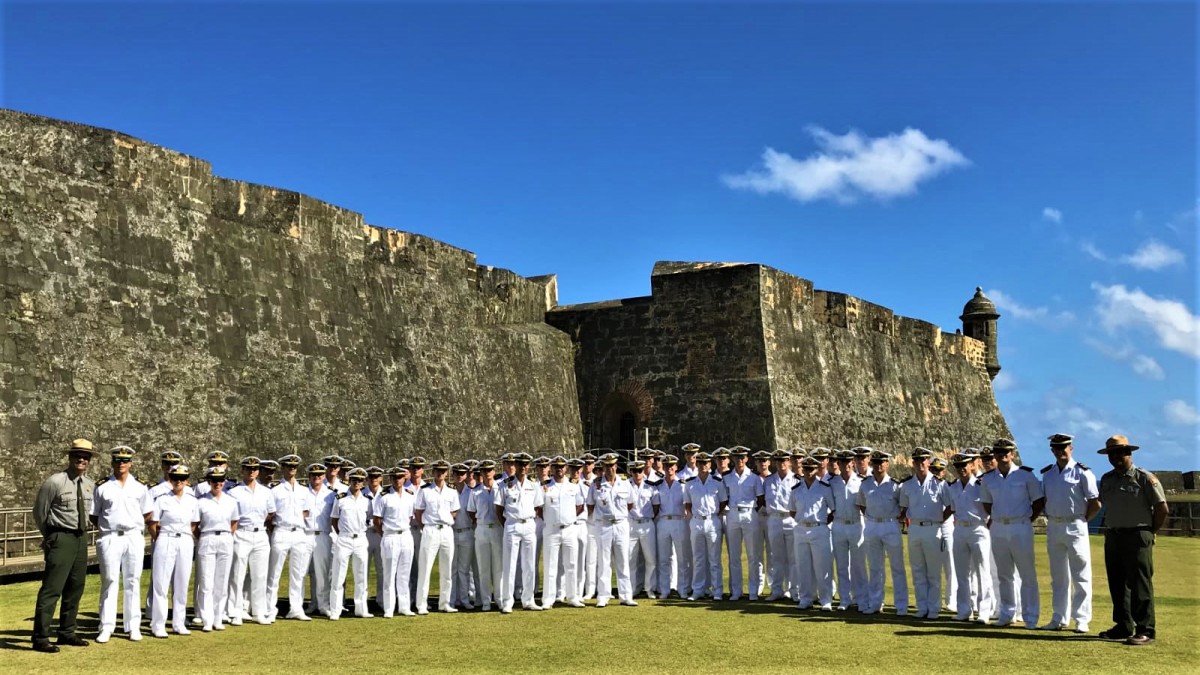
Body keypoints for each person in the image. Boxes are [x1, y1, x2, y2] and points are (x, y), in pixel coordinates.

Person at [1097, 435, 1167, 646]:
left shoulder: (1144, 478)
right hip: (1114, 535)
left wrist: (1150, 531)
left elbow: (1162, 508)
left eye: (1120, 452)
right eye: (1112, 453)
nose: (1116, 457)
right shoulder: (1108, 479)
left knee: (1140, 584)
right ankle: (1123, 625)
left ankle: (1145, 629)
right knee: (1117, 584)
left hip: (1138, 535)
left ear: (1129, 453)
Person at [31, 438, 97, 653]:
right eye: (77, 455)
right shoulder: (55, 482)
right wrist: (51, 537)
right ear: (69, 457)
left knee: (76, 587)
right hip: (60, 537)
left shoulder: (89, 485)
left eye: (85, 457)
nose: (81, 459)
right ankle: (40, 637)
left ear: (89, 461)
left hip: (80, 538)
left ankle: (67, 632)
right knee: (52, 588)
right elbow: (40, 512)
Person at [1039, 433, 1101, 633]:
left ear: (1071, 448)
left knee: (1081, 574)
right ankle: (1059, 617)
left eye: (1064, 447)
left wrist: (1083, 520)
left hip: (1076, 524)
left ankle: (1082, 619)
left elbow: (1095, 502)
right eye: (1056, 448)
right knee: (1058, 576)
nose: (1060, 451)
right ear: (1052, 451)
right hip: (1055, 525)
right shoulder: (1047, 474)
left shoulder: (1083, 473)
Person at [978, 438, 1044, 628]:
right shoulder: (988, 478)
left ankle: (1030, 616)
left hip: (1020, 526)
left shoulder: (1026, 476)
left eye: (1005, 452)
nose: (1002, 456)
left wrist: (1027, 519)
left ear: (1012, 454)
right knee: (1004, 574)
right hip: (998, 526)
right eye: (998, 453)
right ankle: (1007, 613)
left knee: (1027, 574)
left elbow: (1038, 501)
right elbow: (987, 504)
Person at [91, 444, 151, 643]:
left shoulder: (141, 487)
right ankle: (106, 626)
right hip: (110, 537)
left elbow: (147, 513)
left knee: (133, 581)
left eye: (125, 460)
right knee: (109, 580)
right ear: (112, 463)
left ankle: (133, 626)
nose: (121, 464)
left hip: (133, 536)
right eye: (117, 460)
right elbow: (95, 515)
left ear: (131, 463)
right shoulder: (102, 486)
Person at [898, 448, 952, 619]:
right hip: (914, 528)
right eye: (917, 461)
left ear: (929, 462)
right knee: (918, 570)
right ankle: (922, 607)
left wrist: (940, 519)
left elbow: (951, 505)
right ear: (912, 463)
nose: (921, 463)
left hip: (933, 528)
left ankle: (934, 608)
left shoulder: (939, 483)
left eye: (924, 460)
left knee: (933, 572)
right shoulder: (907, 485)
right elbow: (904, 507)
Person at [148, 463, 200, 638]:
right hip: (166, 538)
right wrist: (160, 539)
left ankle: (179, 622)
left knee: (182, 583)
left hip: (185, 539)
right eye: (175, 478)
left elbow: (194, 524)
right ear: (169, 479)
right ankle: (158, 624)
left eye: (182, 478)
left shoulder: (193, 500)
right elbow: (153, 523)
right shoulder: (162, 499)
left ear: (187, 480)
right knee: (161, 584)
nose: (179, 481)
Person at [856, 450, 907, 616]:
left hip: (890, 525)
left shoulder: (895, 485)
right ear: (872, 464)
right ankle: (876, 602)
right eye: (876, 463)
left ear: (887, 464)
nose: (879, 466)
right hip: (871, 525)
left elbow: (902, 507)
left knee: (897, 567)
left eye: (882, 462)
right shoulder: (865, 484)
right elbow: (862, 505)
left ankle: (901, 605)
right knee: (875, 567)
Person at [226, 456, 275, 626]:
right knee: (237, 575)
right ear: (242, 470)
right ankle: (235, 611)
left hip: (260, 533)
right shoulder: (234, 492)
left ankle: (258, 611)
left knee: (260, 575)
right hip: (241, 533)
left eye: (254, 469)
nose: (251, 471)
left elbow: (270, 514)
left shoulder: (266, 492)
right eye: (248, 468)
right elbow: (231, 516)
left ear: (258, 471)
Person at [947, 450, 995, 624]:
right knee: (962, 573)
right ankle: (965, 610)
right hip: (960, 529)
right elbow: (953, 509)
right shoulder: (953, 487)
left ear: (971, 465)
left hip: (978, 529)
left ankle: (984, 611)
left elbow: (991, 508)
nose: (961, 469)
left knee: (983, 572)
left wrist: (986, 526)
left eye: (964, 465)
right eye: (958, 466)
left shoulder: (981, 484)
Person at [266, 454, 313, 621]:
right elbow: (270, 515)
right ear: (283, 468)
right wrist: (277, 528)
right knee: (274, 573)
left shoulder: (304, 490)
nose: (291, 469)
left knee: (298, 574)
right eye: (288, 466)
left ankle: (296, 608)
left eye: (294, 467)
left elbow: (305, 511)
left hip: (299, 532)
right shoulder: (275, 490)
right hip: (281, 531)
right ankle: (270, 609)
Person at [496, 452, 543, 613]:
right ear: (514, 466)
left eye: (525, 465)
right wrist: (509, 523)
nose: (523, 467)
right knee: (509, 564)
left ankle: (528, 599)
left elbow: (537, 507)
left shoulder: (533, 485)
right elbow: (499, 509)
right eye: (520, 464)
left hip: (529, 525)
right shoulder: (505, 485)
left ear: (529, 467)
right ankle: (507, 601)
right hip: (512, 525)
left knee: (529, 564)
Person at [588, 453, 635, 608]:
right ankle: (603, 595)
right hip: (604, 525)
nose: (609, 469)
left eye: (612, 465)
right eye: (606, 466)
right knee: (604, 561)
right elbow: (590, 505)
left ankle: (626, 595)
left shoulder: (625, 483)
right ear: (603, 467)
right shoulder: (596, 485)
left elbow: (630, 504)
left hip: (621, 524)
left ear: (616, 466)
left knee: (623, 561)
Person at [195, 465, 238, 632]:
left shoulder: (231, 501)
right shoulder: (201, 502)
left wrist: (226, 536)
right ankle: (207, 619)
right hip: (207, 537)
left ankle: (218, 617)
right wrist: (204, 537)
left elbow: (234, 523)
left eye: (220, 481)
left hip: (226, 538)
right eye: (214, 481)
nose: (218, 484)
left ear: (224, 481)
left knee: (222, 580)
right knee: (206, 581)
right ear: (209, 482)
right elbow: (194, 525)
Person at [414, 459, 459, 614]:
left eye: (443, 471)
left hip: (446, 530)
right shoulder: (425, 490)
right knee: (425, 568)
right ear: (432, 472)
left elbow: (454, 512)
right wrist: (424, 527)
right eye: (437, 471)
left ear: (446, 473)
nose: (440, 474)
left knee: (447, 569)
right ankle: (421, 604)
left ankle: (444, 603)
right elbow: (418, 512)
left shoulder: (452, 491)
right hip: (430, 529)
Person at [789, 456, 834, 611]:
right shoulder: (796, 489)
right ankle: (806, 598)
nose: (808, 472)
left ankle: (826, 599)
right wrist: (803, 522)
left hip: (819, 528)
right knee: (803, 566)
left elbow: (833, 510)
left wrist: (821, 523)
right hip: (801, 528)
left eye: (811, 469)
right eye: (806, 469)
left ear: (817, 469)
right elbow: (792, 511)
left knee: (822, 567)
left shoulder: (824, 487)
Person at [541, 456, 585, 608]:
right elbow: (539, 508)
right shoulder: (545, 486)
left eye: (562, 467)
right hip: (551, 530)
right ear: (551, 468)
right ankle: (548, 599)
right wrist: (549, 519)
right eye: (556, 467)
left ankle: (572, 597)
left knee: (571, 564)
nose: (559, 469)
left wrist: (569, 517)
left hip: (569, 529)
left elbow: (580, 505)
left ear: (566, 468)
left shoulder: (574, 485)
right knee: (550, 565)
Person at [329, 467, 373, 620]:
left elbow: (370, 519)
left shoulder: (367, 501)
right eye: (354, 479)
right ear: (349, 480)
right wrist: (341, 534)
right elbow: (334, 520)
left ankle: (361, 609)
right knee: (338, 576)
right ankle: (335, 610)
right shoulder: (340, 498)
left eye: (360, 480)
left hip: (360, 538)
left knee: (361, 576)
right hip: (344, 538)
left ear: (363, 482)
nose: (357, 483)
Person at [724, 447, 765, 601]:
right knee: (734, 555)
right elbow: (725, 496)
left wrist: (752, 510)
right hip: (733, 513)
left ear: (747, 459)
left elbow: (760, 498)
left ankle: (753, 591)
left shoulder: (754, 477)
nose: (740, 460)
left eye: (742, 457)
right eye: (737, 457)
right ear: (733, 459)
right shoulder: (727, 477)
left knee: (753, 555)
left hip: (749, 513)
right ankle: (736, 591)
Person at [684, 452, 727, 601]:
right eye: (700, 463)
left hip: (712, 520)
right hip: (696, 521)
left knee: (714, 559)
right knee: (698, 559)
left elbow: (723, 502)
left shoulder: (717, 482)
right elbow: (688, 504)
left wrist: (713, 515)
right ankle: (698, 590)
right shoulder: (690, 483)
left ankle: (717, 591)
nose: (703, 465)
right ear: (697, 464)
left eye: (706, 463)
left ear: (710, 465)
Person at [374, 466, 416, 617]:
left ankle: (404, 606)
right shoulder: (383, 496)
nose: (397, 480)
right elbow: (377, 520)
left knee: (404, 574)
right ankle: (389, 608)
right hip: (390, 536)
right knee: (389, 574)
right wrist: (384, 534)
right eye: (394, 478)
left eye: (400, 477)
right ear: (390, 479)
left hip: (405, 535)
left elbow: (410, 517)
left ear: (404, 478)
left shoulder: (410, 495)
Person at [829, 449, 866, 610]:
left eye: (848, 462)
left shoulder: (861, 481)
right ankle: (845, 599)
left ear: (852, 462)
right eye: (842, 462)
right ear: (838, 464)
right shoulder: (832, 483)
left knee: (858, 565)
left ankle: (861, 598)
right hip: (838, 524)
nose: (845, 465)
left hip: (856, 524)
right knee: (842, 564)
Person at [762, 449, 797, 602]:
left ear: (789, 461)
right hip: (774, 519)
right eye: (778, 461)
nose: (781, 463)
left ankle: (794, 590)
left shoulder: (796, 480)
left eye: (784, 460)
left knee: (793, 558)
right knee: (776, 557)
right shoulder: (769, 480)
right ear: (775, 462)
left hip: (790, 518)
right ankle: (776, 590)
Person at [469, 460, 502, 611]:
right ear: (480, 473)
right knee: (483, 568)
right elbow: (471, 511)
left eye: (490, 470)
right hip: (482, 529)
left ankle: (500, 599)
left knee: (498, 567)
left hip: (497, 528)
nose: (487, 473)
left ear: (494, 472)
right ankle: (486, 601)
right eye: (484, 471)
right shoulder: (475, 491)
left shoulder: (501, 488)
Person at [655, 454, 689, 599]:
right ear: (663, 467)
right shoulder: (657, 485)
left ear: (676, 467)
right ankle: (665, 589)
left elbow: (688, 504)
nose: (669, 468)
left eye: (672, 466)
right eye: (667, 466)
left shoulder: (682, 485)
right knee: (663, 558)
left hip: (678, 520)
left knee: (682, 557)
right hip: (663, 521)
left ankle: (682, 588)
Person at [303, 463, 334, 618]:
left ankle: (323, 604)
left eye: (319, 475)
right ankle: (309, 603)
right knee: (304, 571)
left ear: (324, 476)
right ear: (309, 476)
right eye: (313, 475)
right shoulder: (303, 493)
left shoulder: (331, 494)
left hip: (322, 534)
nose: (317, 478)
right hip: (305, 534)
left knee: (322, 572)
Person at [627, 460, 659, 598]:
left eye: (639, 471)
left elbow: (656, 506)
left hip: (647, 523)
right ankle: (633, 588)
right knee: (631, 558)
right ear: (631, 472)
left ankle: (649, 588)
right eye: (634, 471)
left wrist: (649, 517)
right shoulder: (626, 485)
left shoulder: (651, 486)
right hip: (632, 524)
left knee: (650, 558)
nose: (637, 474)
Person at [929, 457, 957, 612]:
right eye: (933, 470)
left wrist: (940, 519)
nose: (936, 473)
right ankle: (934, 600)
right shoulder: (926, 485)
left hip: (945, 527)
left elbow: (951, 507)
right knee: (933, 566)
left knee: (950, 565)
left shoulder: (947, 486)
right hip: (932, 528)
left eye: (939, 470)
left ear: (944, 471)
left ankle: (951, 600)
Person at [450, 463, 477, 610]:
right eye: (457, 474)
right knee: (452, 568)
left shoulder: (472, 492)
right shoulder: (448, 492)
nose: (459, 476)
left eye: (462, 474)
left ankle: (465, 599)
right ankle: (452, 599)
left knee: (465, 569)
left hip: (467, 531)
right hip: (452, 532)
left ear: (466, 475)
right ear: (453, 475)